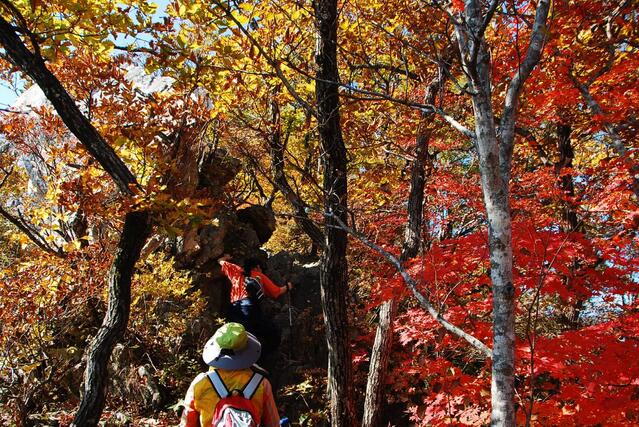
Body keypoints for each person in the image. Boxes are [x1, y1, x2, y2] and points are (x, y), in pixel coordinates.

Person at [180, 322, 280, 427]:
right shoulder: (262, 384)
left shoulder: (200, 383)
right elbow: (273, 423)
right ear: (247, 351)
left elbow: (187, 423)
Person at [218, 254, 293, 360]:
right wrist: (288, 287)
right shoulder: (258, 275)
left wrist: (226, 257)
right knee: (272, 335)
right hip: (249, 308)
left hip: (233, 309)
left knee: (237, 337)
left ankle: (230, 360)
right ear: (257, 267)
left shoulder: (235, 271)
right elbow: (276, 292)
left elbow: (220, 261)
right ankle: (260, 359)